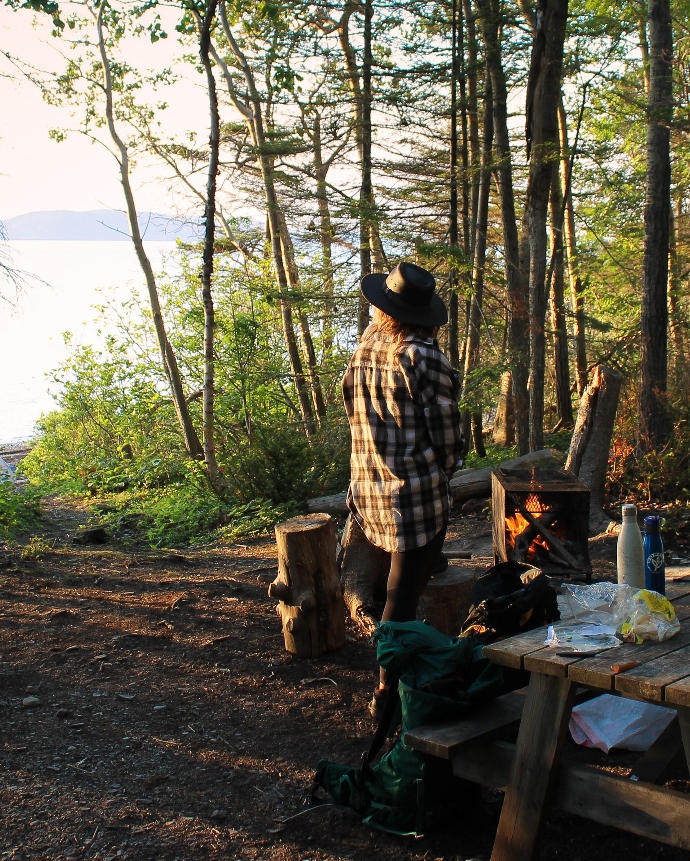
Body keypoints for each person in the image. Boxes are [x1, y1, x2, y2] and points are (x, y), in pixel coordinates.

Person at [342, 261, 465, 716]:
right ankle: (386, 692)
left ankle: (428, 561)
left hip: (367, 489)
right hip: (411, 499)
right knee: (400, 600)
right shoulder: (424, 357)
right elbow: (448, 436)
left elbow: (352, 410)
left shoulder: (365, 348)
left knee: (411, 573)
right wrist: (442, 469)